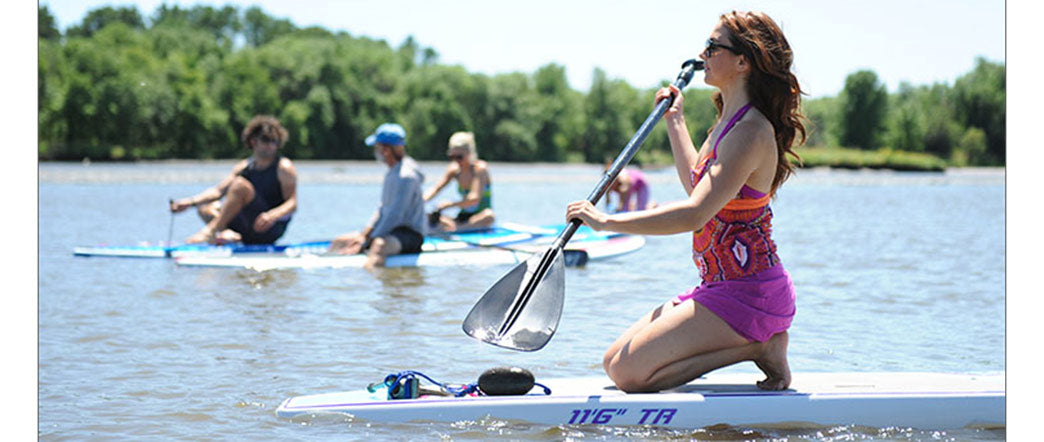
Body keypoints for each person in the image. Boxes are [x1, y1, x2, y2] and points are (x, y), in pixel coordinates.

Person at [565, 10, 805, 393]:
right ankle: (755, 344)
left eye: (713, 46)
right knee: (614, 361)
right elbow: (698, 186)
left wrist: (607, 223)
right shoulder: (728, 120)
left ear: (743, 61)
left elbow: (695, 214)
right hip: (719, 286)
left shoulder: (751, 130)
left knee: (631, 375)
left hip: (753, 293)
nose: (703, 53)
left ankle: (760, 346)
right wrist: (675, 121)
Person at [170, 115, 298, 244]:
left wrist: (272, 215)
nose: (271, 145)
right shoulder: (243, 167)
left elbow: (292, 203)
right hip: (246, 226)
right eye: (266, 140)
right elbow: (218, 192)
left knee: (240, 185)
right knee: (205, 206)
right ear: (253, 141)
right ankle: (228, 235)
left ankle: (210, 232)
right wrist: (190, 202)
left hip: (268, 227)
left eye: (274, 141)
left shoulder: (283, 167)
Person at [329, 123, 426, 268]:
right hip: (389, 231)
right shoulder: (392, 171)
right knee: (339, 241)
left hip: (409, 235)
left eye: (377, 147)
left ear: (386, 149)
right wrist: (364, 235)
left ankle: (371, 284)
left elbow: (395, 215)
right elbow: (382, 209)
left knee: (379, 245)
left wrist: (369, 240)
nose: (376, 151)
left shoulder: (406, 176)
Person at [423, 131, 495, 231]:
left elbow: (474, 199)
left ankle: (457, 229)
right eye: (452, 157)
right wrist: (420, 201)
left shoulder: (480, 169)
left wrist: (449, 204)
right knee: (426, 215)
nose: (455, 161)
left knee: (489, 215)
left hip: (480, 218)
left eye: (459, 157)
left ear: (469, 153)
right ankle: (457, 228)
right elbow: (436, 189)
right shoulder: (454, 170)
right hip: (462, 218)